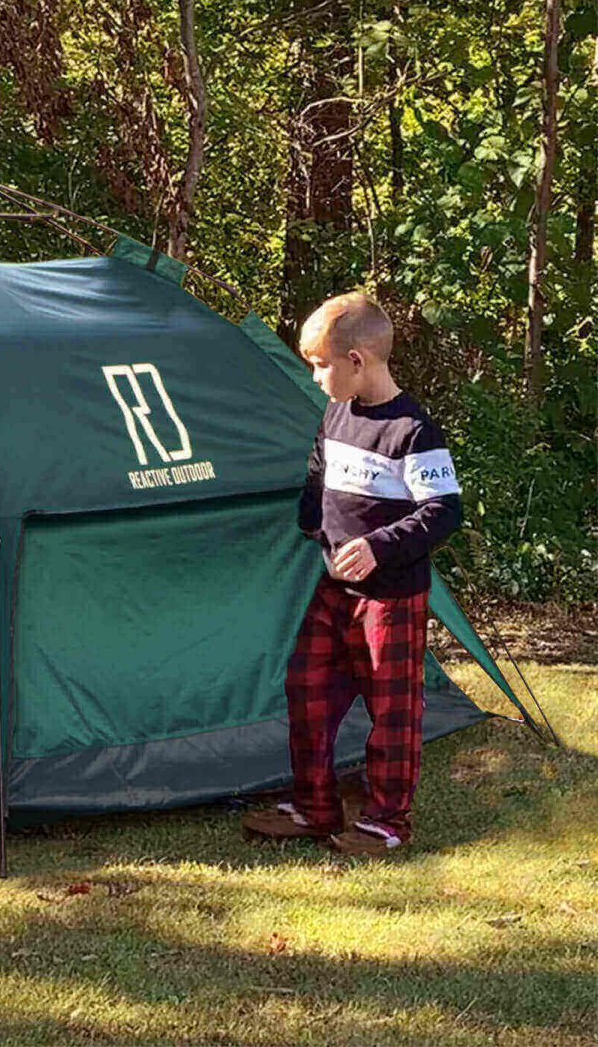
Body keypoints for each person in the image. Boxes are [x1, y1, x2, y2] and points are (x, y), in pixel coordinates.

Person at [243, 292, 462, 855]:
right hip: (333, 591)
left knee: (392, 711)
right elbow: (320, 468)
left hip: (391, 599)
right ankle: (315, 807)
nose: (315, 378)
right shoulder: (337, 412)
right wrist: (312, 519)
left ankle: (387, 822)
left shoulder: (414, 431)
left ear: (357, 361)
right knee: (307, 688)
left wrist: (378, 547)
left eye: (321, 365)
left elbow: (443, 511)